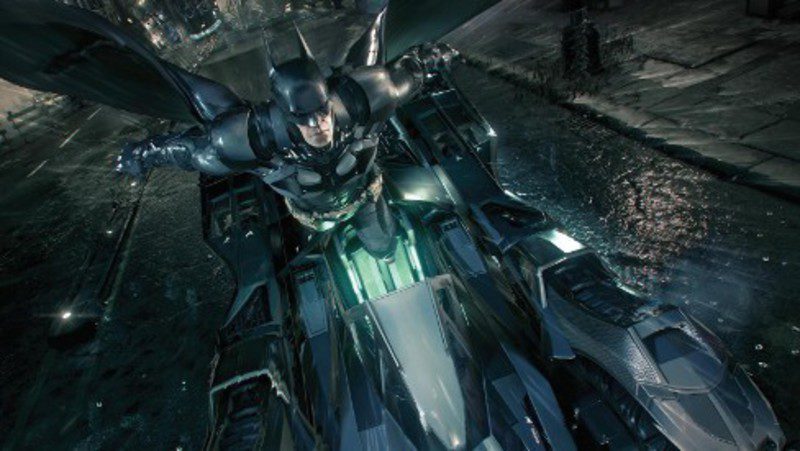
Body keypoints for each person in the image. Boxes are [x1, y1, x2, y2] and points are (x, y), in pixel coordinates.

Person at [117, 23, 455, 257]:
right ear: (287, 115)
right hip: (313, 216)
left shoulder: (362, 101)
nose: (319, 125)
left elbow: (408, 74)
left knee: (383, 246)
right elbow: (193, 152)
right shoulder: (257, 138)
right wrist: (148, 152)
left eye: (321, 112)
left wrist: (431, 58)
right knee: (321, 252)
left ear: (329, 100)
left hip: (365, 198)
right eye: (304, 118)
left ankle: (381, 251)